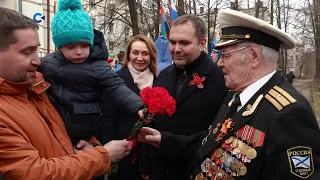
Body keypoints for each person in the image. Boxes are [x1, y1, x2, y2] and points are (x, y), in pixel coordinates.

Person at [138, 10, 320, 180]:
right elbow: (209, 143)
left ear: (254, 56)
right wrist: (164, 141)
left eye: (225, 55)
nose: (219, 63)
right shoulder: (238, 96)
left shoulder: (290, 113)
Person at [0, 7, 131, 179]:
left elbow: (64, 131)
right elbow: (37, 173)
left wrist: (88, 145)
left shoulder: (36, 86)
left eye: (36, 50)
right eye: (27, 52)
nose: (37, 60)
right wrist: (102, 155)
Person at [39, 0, 144, 146]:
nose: (79, 52)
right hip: (54, 125)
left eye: (84, 45)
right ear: (59, 46)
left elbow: (116, 87)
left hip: (86, 127)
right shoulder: (48, 62)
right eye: (71, 47)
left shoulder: (98, 65)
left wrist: (138, 106)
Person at [139, 14, 228, 180]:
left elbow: (219, 135)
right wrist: (146, 161)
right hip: (160, 169)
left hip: (195, 170)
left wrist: (167, 143)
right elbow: (151, 120)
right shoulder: (164, 75)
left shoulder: (220, 79)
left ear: (202, 44)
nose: (176, 49)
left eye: (184, 43)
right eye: (173, 42)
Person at [102, 34, 158, 180]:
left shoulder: (159, 81)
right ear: (128, 55)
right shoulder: (115, 79)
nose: (140, 58)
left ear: (151, 55)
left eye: (145, 53)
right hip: (123, 152)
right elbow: (108, 120)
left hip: (150, 155)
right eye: (135, 53)